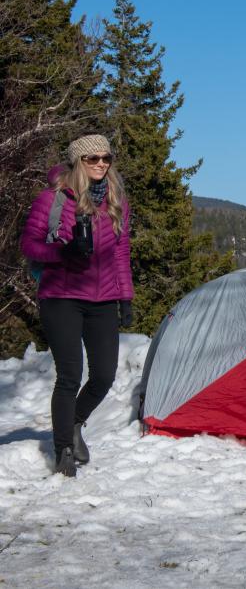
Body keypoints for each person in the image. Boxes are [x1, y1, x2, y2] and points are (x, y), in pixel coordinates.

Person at [20, 134, 134, 478]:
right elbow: (29, 245)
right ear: (77, 163)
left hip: (102, 300)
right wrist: (62, 252)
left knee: (103, 375)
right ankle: (63, 450)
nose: (101, 164)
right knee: (69, 376)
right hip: (61, 297)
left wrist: (125, 296)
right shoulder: (53, 199)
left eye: (106, 158)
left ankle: (75, 423)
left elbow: (120, 253)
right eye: (93, 159)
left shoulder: (116, 201)